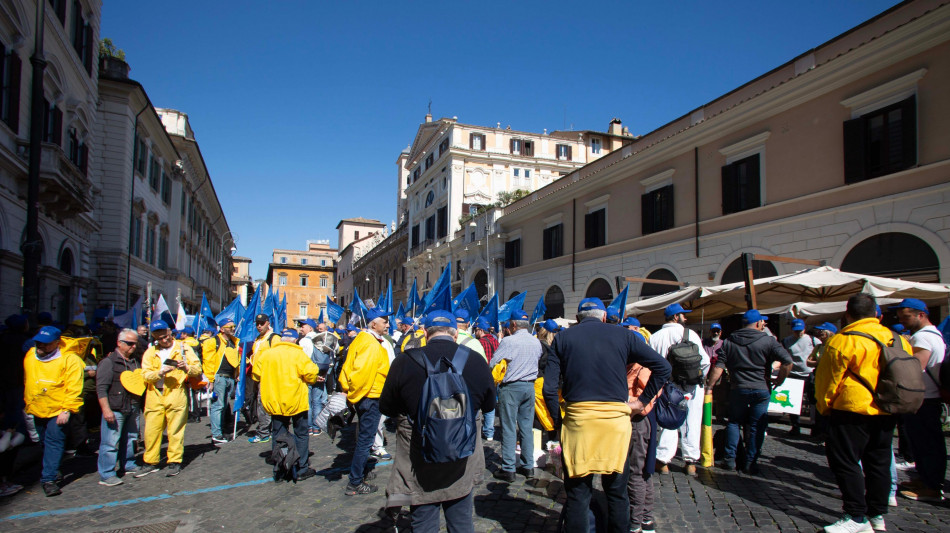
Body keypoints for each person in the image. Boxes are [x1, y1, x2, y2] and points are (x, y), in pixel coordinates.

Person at [544, 298, 670, 533]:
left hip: (578, 423)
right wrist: (641, 403)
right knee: (617, 492)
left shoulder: (562, 338)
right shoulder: (625, 336)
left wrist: (558, 423)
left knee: (578, 495)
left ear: (579, 319)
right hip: (615, 424)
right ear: (604, 316)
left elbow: (549, 390)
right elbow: (663, 367)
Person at [379, 310, 496, 532]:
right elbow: (490, 404)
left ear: (424, 332)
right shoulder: (476, 360)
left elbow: (386, 407)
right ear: (455, 334)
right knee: (461, 520)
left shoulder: (404, 361)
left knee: (423, 520)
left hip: (420, 457)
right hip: (462, 455)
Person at [815, 293, 913, 533]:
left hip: (852, 409)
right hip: (887, 408)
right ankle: (877, 514)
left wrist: (824, 407)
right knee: (879, 463)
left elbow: (828, 380)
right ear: (876, 314)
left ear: (848, 314)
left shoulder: (843, 340)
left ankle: (856, 516)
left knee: (845, 462)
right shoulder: (897, 339)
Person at [705, 309, 792, 474]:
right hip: (761, 388)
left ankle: (730, 460)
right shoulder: (768, 341)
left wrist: (710, 386)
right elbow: (787, 362)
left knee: (734, 422)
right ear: (758, 323)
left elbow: (719, 367)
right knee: (756, 426)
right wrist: (780, 380)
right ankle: (751, 462)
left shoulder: (729, 341)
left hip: (739, 388)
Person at [892, 298, 947, 502]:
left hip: (923, 398)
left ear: (920, 315)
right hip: (927, 396)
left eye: (905, 317)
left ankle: (931, 486)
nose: (902, 321)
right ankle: (925, 480)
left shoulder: (922, 338)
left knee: (927, 444)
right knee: (925, 443)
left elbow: (914, 369)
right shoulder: (934, 334)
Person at [252, 328, 322, 481]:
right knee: (301, 434)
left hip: (275, 400)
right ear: (295, 340)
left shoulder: (267, 354)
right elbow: (311, 374)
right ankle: (302, 467)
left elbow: (256, 374)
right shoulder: (298, 354)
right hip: (295, 400)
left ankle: (280, 467)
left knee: (278, 434)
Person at [23, 326, 84, 496]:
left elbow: (74, 387)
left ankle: (48, 479)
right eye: (38, 343)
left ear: (57, 343)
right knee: (44, 442)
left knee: (54, 441)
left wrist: (67, 409)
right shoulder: (30, 355)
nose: (40, 346)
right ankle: (52, 467)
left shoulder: (70, 360)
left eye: (45, 344)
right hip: (37, 407)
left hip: (58, 409)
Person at [649, 303, 707, 476]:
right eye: (683, 314)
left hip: (668, 385)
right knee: (692, 422)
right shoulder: (691, 335)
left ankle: (663, 460)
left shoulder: (655, 337)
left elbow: (651, 365)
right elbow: (705, 361)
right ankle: (690, 462)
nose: (685, 318)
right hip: (691, 386)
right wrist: (698, 378)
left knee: (668, 421)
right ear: (676, 317)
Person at [338, 307, 391, 495]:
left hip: (368, 395)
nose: (388, 324)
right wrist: (355, 396)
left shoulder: (363, 339)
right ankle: (355, 481)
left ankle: (361, 472)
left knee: (364, 437)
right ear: (374, 323)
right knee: (365, 440)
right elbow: (362, 373)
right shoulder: (369, 343)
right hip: (370, 396)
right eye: (384, 321)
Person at [139, 320, 201, 477]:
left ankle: (174, 460)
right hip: (155, 393)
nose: (164, 340)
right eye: (160, 338)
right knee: (152, 430)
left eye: (166, 336)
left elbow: (197, 369)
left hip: (176, 392)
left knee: (175, 430)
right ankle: (150, 460)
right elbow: (145, 374)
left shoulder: (183, 348)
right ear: (154, 338)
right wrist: (159, 373)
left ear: (170, 332)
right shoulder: (150, 352)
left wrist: (185, 367)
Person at [489, 309, 543, 482]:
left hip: (511, 387)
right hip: (529, 386)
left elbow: (493, 362)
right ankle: (528, 466)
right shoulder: (536, 342)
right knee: (526, 427)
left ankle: (508, 467)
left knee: (509, 427)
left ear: (513, 324)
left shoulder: (509, 341)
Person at [96, 328, 147, 485]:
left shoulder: (134, 362)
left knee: (131, 438)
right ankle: (107, 473)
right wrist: (106, 409)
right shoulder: (109, 362)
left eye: (135, 344)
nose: (133, 347)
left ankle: (129, 463)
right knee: (110, 442)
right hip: (115, 407)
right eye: (129, 344)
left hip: (132, 406)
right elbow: (101, 388)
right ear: (119, 343)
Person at [202, 318, 240, 445]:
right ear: (222, 329)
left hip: (230, 378)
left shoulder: (235, 342)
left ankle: (220, 430)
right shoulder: (214, 341)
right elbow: (208, 361)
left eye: (234, 326)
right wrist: (211, 379)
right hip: (219, 377)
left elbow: (236, 360)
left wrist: (238, 374)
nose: (233, 328)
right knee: (218, 406)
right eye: (230, 327)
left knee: (224, 405)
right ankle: (216, 434)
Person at [782, 319, 820, 437]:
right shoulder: (786, 341)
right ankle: (795, 426)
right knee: (793, 402)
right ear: (792, 330)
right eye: (796, 331)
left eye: (801, 330)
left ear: (805, 328)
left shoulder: (813, 340)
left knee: (813, 401)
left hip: (810, 374)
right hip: (794, 374)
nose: (799, 333)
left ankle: (815, 427)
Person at [246, 314, 280, 440]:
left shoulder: (274, 338)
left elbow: (277, 357)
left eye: (262, 323)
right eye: (257, 324)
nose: (259, 326)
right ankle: (265, 429)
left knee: (263, 404)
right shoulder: (259, 338)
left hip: (268, 376)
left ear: (268, 323)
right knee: (259, 404)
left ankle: (264, 432)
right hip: (257, 376)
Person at [474, 318, 500, 441]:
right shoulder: (495, 341)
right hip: (494, 376)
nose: (475, 332)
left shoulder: (479, 343)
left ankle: (475, 430)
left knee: (477, 402)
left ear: (480, 330)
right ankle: (489, 432)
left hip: (481, 374)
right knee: (491, 403)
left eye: (476, 330)